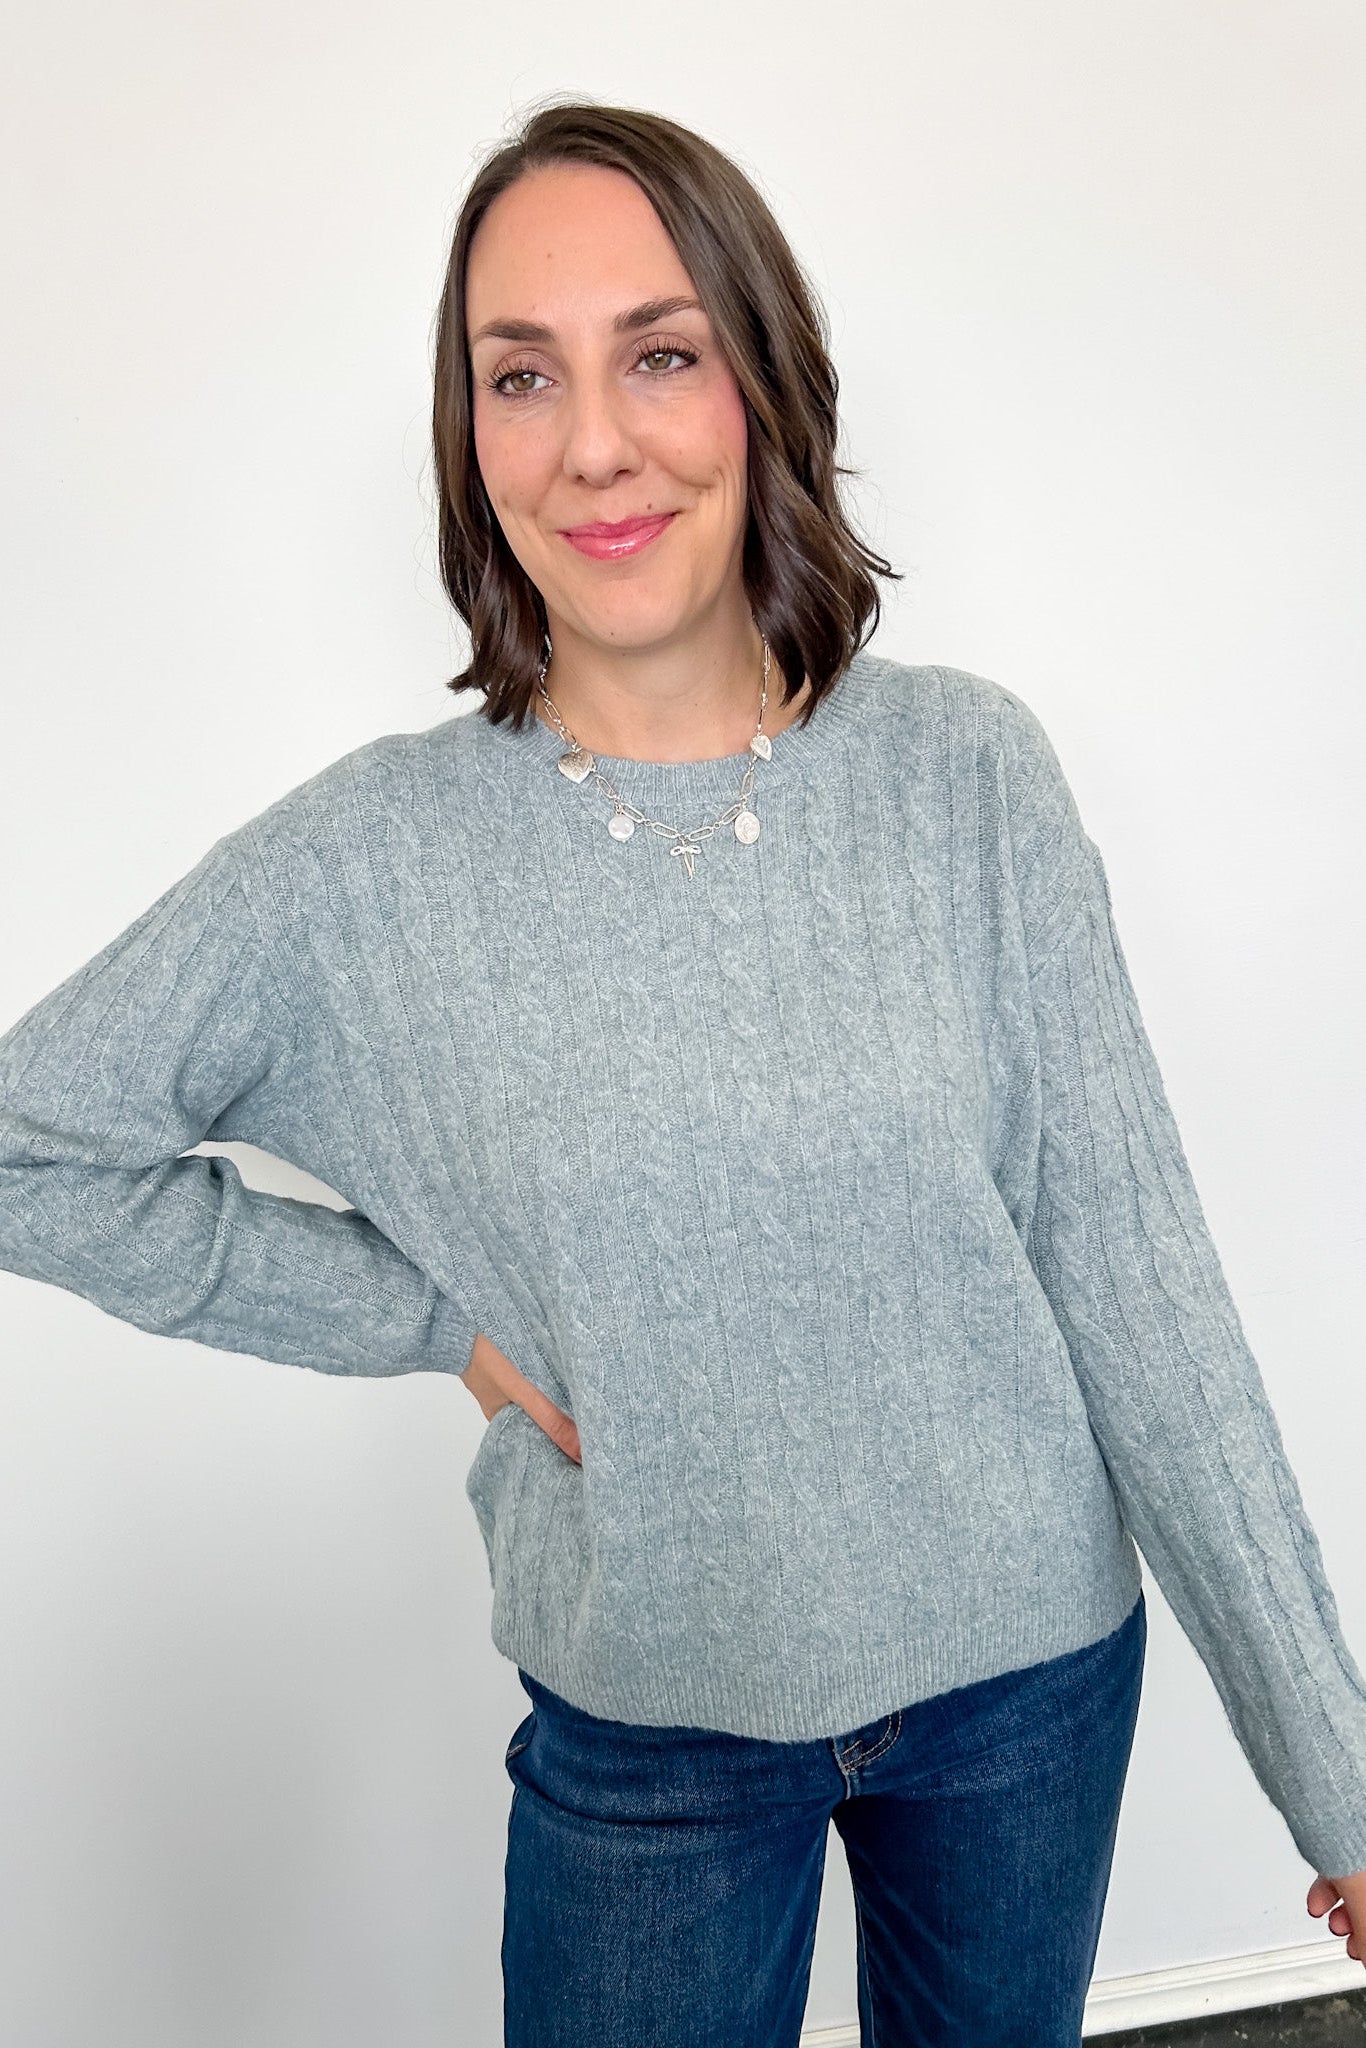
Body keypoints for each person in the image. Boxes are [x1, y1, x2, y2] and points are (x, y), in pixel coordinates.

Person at [2, 96, 1364, 2047]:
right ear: (467, 443)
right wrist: (422, 1314)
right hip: (648, 1731)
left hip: (1026, 1687)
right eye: (518, 376)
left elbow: (1138, 1290)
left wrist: (1337, 1776)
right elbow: (30, 1140)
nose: (594, 442)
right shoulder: (367, 864)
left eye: (659, 353)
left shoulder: (963, 776)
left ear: (759, 382)